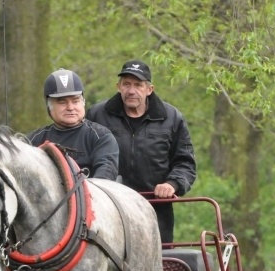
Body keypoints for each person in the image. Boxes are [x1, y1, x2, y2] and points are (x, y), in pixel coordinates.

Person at [87, 60, 197, 244]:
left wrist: (172, 184)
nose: (131, 90)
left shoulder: (172, 118)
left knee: (157, 265)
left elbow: (185, 162)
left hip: (155, 207)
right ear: (118, 87)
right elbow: (83, 155)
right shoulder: (97, 115)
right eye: (126, 84)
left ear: (149, 89)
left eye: (138, 85)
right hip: (107, 207)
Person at [28, 69, 119, 181]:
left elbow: (106, 175)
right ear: (49, 106)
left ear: (83, 102)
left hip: (91, 196)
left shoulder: (101, 136)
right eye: (62, 102)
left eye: (75, 101)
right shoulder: (32, 141)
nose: (70, 108)